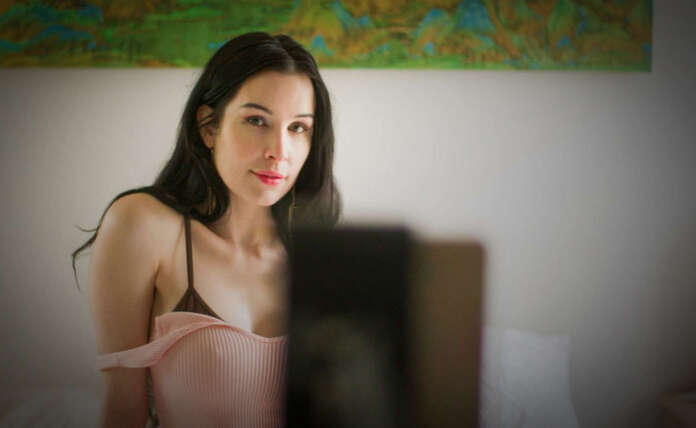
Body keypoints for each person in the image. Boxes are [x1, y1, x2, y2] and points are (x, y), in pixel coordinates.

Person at [71, 32, 341, 427]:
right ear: (208, 126)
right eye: (256, 120)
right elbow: (123, 409)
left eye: (298, 128)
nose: (279, 151)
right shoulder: (145, 226)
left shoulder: (323, 254)